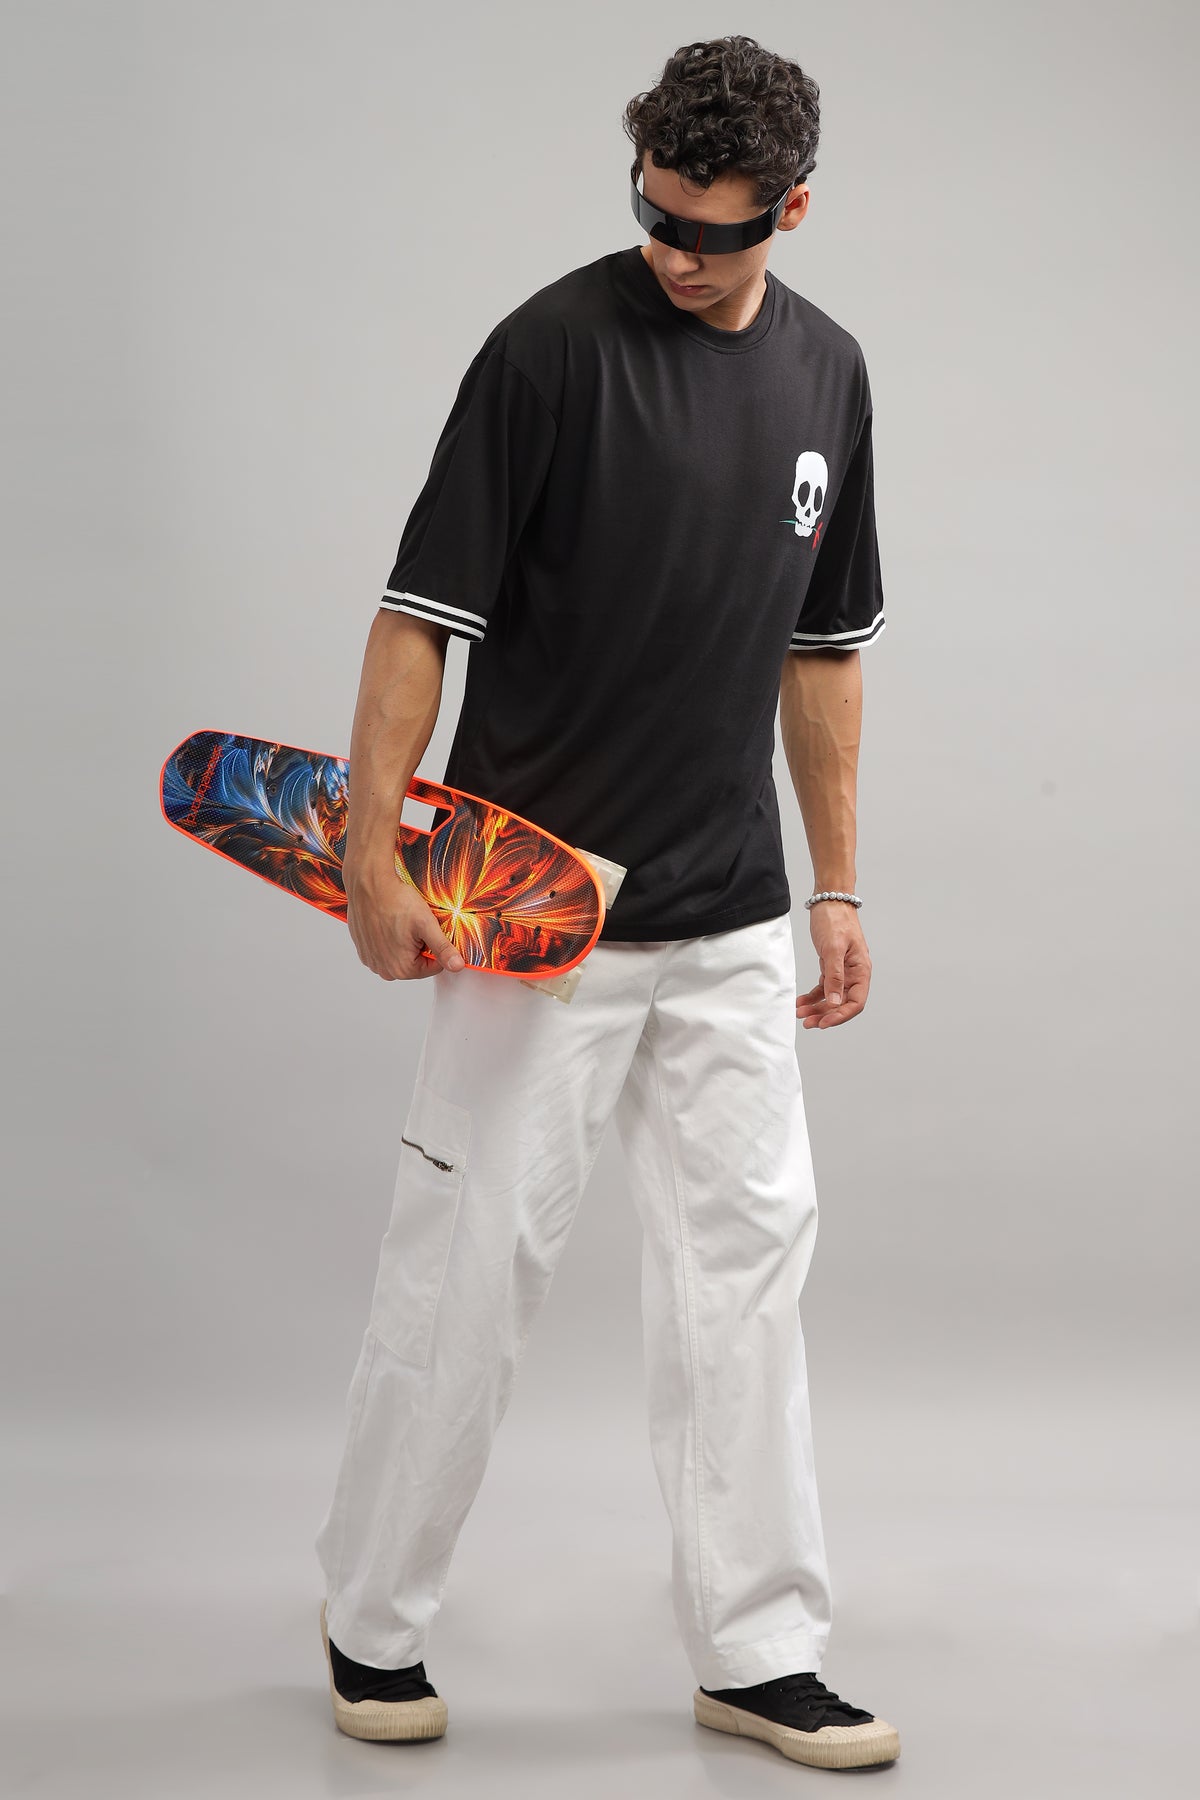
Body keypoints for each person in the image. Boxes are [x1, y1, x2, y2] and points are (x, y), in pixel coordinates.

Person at [313, 32, 900, 1772]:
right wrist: (369, 851)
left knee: (748, 1282)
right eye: (651, 213)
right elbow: (421, 616)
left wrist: (838, 885)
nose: (674, 251)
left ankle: (761, 1652)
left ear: (792, 210)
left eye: (712, 229)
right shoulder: (549, 351)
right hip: (532, 910)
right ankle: (372, 1623)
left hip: (729, 915)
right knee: (467, 1272)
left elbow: (824, 652)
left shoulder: (830, 375)